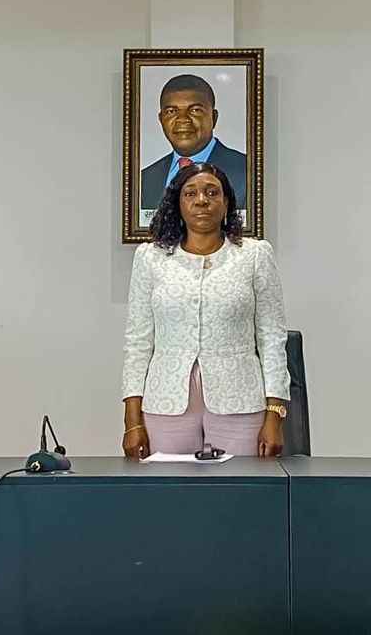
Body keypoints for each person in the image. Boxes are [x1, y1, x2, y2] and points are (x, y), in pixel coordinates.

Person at [122, 161, 289, 458]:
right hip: (166, 401)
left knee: (240, 485)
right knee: (168, 486)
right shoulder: (150, 258)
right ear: (177, 203)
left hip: (240, 400)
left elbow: (272, 338)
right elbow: (137, 342)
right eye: (190, 193)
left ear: (227, 203)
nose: (202, 200)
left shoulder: (254, 255)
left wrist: (274, 413)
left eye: (212, 192)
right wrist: (131, 422)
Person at [139, 74, 247, 210]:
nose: (182, 119)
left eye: (195, 110)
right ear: (161, 119)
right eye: (171, 111)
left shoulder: (247, 171)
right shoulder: (145, 178)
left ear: (213, 118)